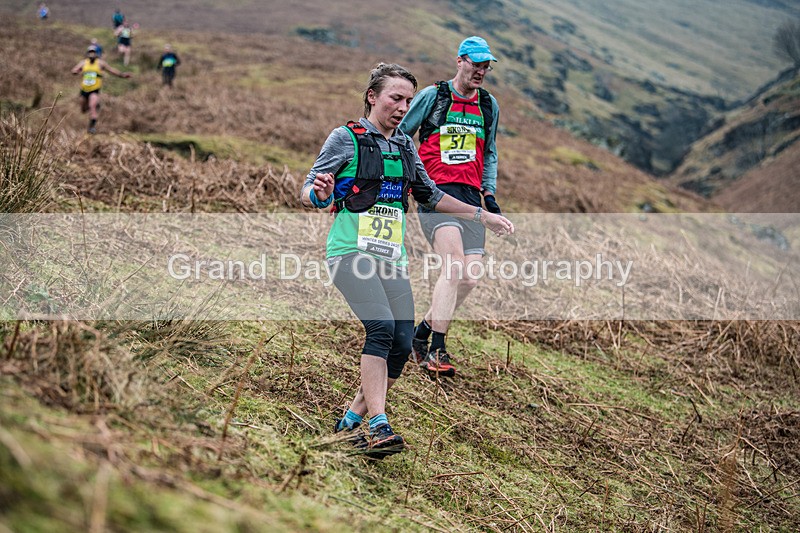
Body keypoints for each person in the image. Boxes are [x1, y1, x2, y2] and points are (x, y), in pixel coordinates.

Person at [301, 63, 513, 458]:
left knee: (400, 345)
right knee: (380, 328)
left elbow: (431, 195)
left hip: (390, 260)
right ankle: (380, 425)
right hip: (349, 254)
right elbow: (310, 190)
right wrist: (319, 191)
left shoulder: (404, 146)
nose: (402, 108)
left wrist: (482, 215)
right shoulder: (345, 138)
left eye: (408, 101)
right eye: (395, 98)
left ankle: (347, 424)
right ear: (372, 96)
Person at [399, 36, 503, 378]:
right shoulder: (434, 96)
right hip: (436, 194)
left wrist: (489, 195)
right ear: (460, 60)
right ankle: (436, 349)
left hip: (472, 199)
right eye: (476, 63)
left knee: (470, 279)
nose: (481, 71)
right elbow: (402, 136)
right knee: (454, 268)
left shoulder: (489, 105)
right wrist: (407, 181)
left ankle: (421, 332)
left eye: (486, 65)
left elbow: (489, 153)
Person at [70, 45, 132, 134]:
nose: (91, 54)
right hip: (84, 90)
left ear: (97, 54)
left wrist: (122, 75)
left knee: (92, 107)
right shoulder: (83, 63)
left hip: (94, 89)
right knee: (83, 110)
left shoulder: (100, 63)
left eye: (93, 52)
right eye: (90, 52)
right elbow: (74, 69)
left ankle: (91, 128)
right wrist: (75, 71)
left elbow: (111, 70)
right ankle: (93, 108)